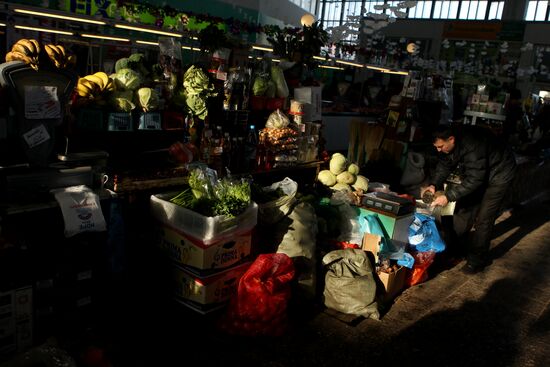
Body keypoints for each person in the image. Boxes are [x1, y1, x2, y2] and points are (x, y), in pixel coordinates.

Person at [421, 124, 517, 274]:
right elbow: (445, 164)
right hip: (481, 172)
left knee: (484, 217)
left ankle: (477, 260)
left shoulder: (472, 145)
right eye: (436, 147)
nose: (438, 150)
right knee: (462, 208)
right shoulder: (450, 144)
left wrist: (448, 196)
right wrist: (434, 184)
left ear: (451, 140)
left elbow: (475, 180)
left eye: (440, 146)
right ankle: (456, 249)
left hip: (500, 173)